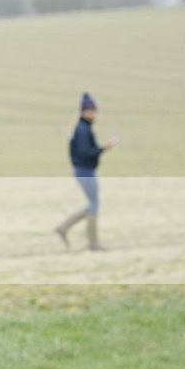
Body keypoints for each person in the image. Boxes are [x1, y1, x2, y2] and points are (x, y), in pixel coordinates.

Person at [55, 92, 116, 251]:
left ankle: (64, 227)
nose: (92, 113)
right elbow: (85, 152)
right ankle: (92, 242)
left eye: (94, 110)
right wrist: (103, 148)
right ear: (83, 111)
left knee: (93, 204)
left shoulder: (83, 128)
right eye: (89, 110)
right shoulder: (83, 129)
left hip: (84, 170)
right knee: (94, 204)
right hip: (84, 170)